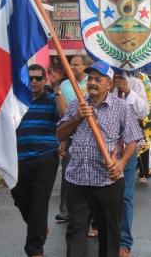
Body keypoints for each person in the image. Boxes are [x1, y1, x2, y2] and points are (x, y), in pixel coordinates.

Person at [57, 61, 143, 257]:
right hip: (77, 180)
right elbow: (60, 134)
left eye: (98, 79)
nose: (93, 83)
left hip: (107, 181)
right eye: (91, 79)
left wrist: (121, 164)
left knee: (109, 236)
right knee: (75, 233)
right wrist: (76, 118)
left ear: (109, 84)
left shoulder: (121, 107)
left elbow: (133, 139)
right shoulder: (76, 105)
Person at [11, 64, 64, 257]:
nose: (34, 81)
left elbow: (65, 113)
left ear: (45, 80)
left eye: (38, 78)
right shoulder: (16, 100)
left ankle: (34, 250)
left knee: (39, 203)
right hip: (18, 159)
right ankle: (39, 227)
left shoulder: (52, 99)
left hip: (45, 158)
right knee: (19, 197)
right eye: (30, 78)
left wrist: (57, 87)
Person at [112, 72, 149, 257]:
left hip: (127, 148)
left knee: (125, 196)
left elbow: (144, 111)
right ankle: (108, 237)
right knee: (105, 196)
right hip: (104, 151)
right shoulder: (103, 81)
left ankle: (124, 242)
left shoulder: (135, 83)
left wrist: (128, 90)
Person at [55, 55, 90, 223]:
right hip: (70, 131)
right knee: (67, 171)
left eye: (76, 64)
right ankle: (65, 209)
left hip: (89, 132)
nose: (72, 67)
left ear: (85, 66)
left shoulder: (92, 82)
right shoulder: (64, 85)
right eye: (71, 64)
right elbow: (63, 112)